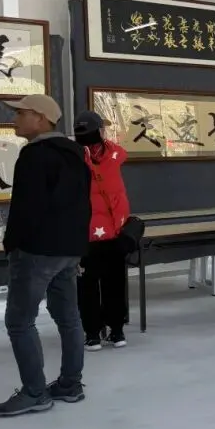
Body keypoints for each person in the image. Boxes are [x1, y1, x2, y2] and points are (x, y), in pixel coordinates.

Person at [0, 95, 91, 417]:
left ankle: (35, 392)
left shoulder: (34, 155)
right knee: (69, 317)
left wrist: (12, 245)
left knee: (19, 321)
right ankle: (70, 384)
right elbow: (82, 206)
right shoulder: (76, 154)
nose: (15, 119)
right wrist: (78, 249)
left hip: (36, 252)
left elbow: (25, 209)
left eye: (21, 113)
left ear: (42, 119)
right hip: (69, 251)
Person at [73, 110, 131, 351]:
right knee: (114, 283)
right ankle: (116, 332)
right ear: (99, 131)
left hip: (85, 233)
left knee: (87, 285)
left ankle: (92, 334)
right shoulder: (114, 155)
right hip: (115, 229)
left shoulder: (74, 158)